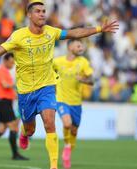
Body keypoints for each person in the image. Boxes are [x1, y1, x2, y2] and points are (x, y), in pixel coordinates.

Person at [0, 1, 119, 168]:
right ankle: (24, 134)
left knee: (50, 123)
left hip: (47, 87)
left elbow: (74, 33)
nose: (42, 14)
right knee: (30, 130)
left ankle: (54, 165)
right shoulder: (18, 36)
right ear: (29, 15)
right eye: (38, 11)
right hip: (26, 92)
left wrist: (99, 29)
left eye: (44, 11)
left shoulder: (51, 32)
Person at [53, 39, 93, 169]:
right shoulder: (58, 62)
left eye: (81, 46)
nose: (81, 48)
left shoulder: (83, 62)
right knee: (67, 124)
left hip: (76, 102)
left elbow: (91, 81)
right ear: (70, 47)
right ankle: (67, 146)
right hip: (61, 99)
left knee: (74, 131)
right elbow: (47, 71)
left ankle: (69, 148)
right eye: (78, 45)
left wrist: (84, 80)